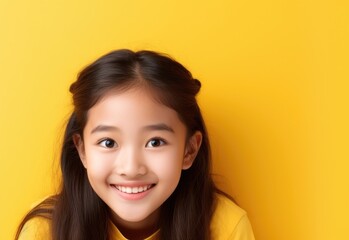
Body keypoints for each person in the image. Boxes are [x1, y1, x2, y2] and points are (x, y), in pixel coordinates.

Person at [15, 49, 255, 240]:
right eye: (108, 142)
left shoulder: (226, 228)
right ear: (82, 150)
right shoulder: (45, 231)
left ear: (189, 150)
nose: (131, 168)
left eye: (155, 142)